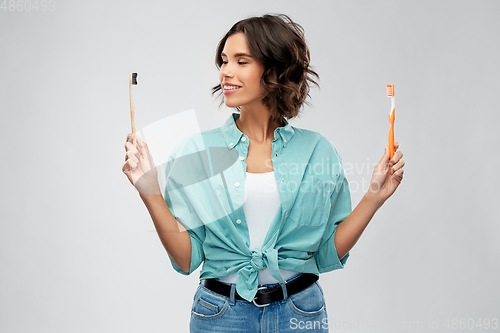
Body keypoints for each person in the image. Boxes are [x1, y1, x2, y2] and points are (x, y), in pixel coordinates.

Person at [122, 13, 404, 333]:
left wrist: (374, 196)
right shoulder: (195, 152)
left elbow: (326, 254)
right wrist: (149, 190)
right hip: (220, 316)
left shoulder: (318, 151)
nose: (226, 71)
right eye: (224, 60)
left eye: (242, 61)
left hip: (301, 314)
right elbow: (186, 259)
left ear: (274, 71)